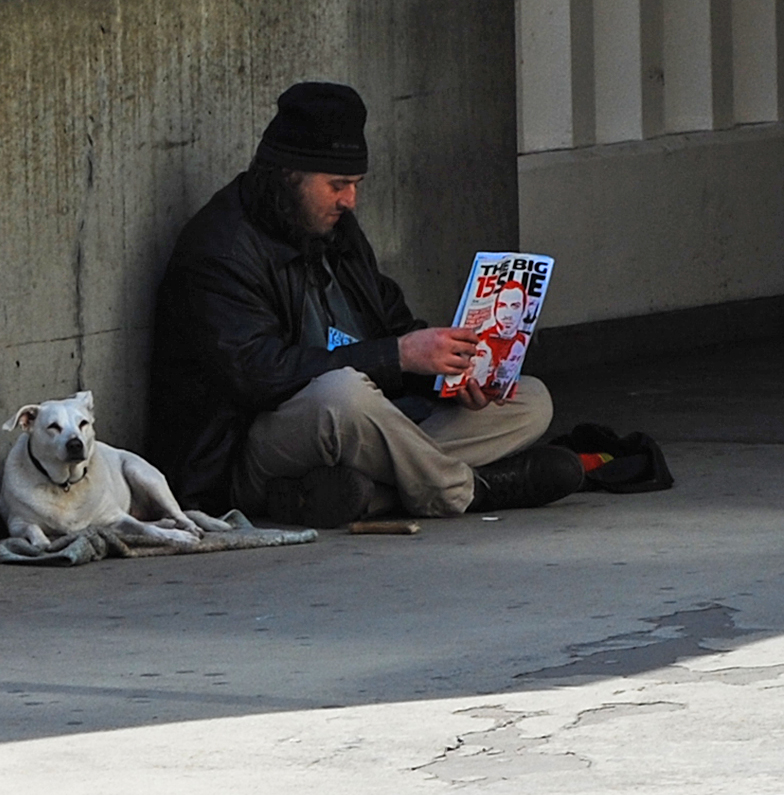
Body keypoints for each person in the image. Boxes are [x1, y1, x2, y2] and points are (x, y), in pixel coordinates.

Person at [147, 82, 583, 527]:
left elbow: (391, 323)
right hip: (255, 449)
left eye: (355, 184)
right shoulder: (221, 250)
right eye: (337, 184)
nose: (350, 200)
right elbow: (259, 376)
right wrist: (398, 356)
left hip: (361, 429)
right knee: (344, 395)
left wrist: (451, 374)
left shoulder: (337, 229)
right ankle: (467, 490)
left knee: (529, 399)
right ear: (288, 175)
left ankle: (361, 496)